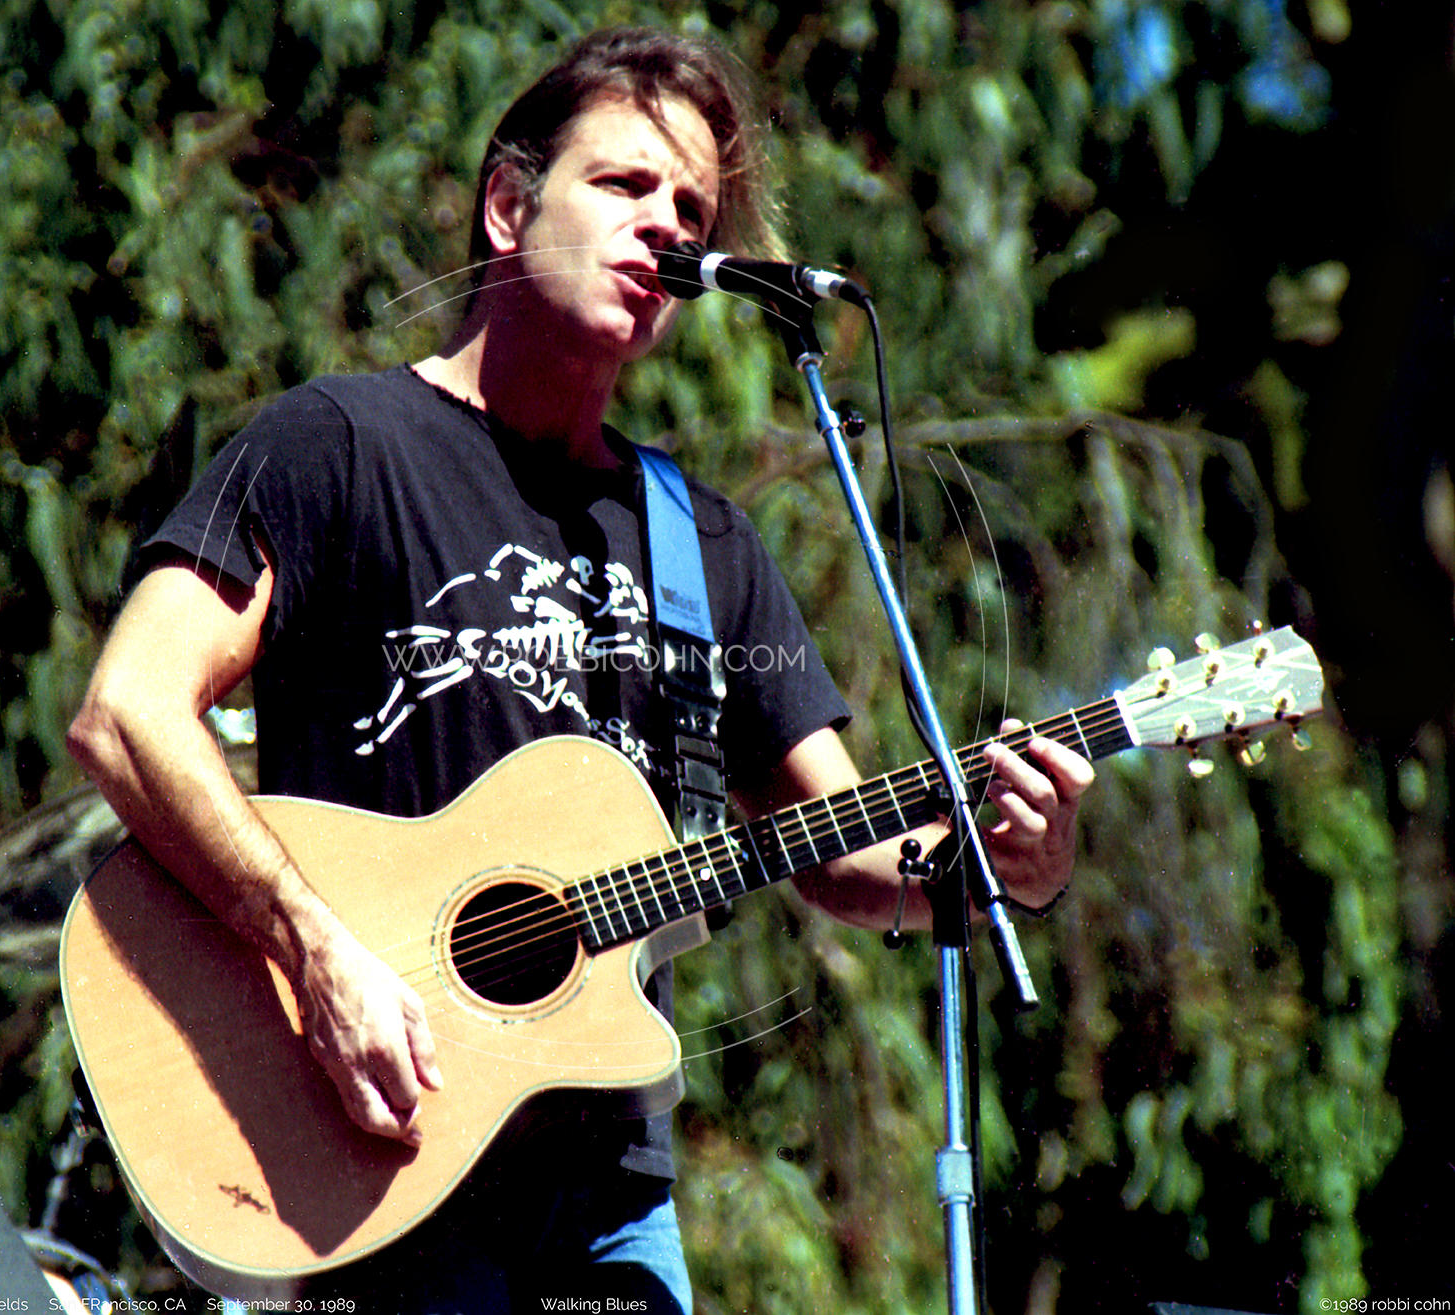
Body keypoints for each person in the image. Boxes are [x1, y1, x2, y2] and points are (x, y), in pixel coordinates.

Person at [66, 26, 1093, 1314]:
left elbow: (849, 853)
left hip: (608, 1196)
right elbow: (128, 714)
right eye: (623, 184)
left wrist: (1004, 868)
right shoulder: (334, 445)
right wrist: (320, 957)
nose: (666, 226)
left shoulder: (700, 541)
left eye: (693, 211)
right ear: (508, 206)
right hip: (369, 1148)